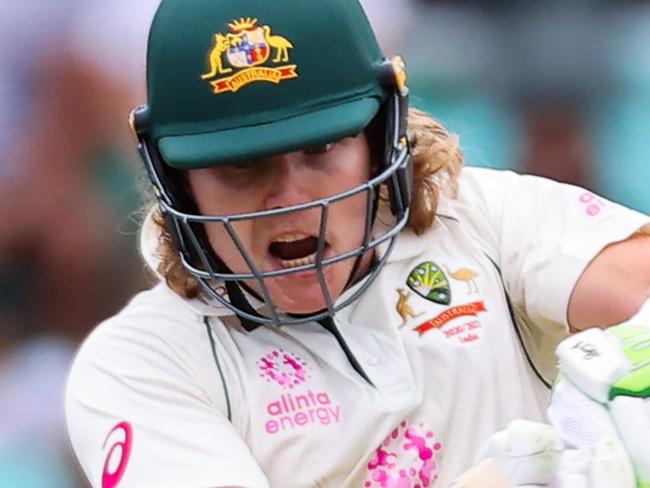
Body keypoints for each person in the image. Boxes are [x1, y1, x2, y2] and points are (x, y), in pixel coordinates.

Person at [65, 0, 650, 487]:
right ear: (175, 178)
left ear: (381, 136)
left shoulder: (480, 219)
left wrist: (616, 408)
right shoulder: (141, 363)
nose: (289, 197)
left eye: (319, 150)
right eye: (240, 165)